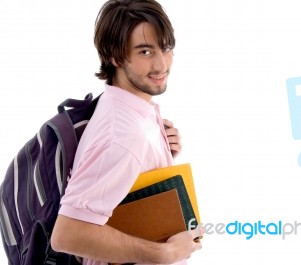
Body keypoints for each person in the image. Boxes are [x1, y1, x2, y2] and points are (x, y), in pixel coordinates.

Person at [50, 0, 203, 264]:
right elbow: (67, 235)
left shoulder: (125, 107)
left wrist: (157, 156)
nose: (161, 65)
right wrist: (163, 254)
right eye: (145, 52)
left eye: (166, 48)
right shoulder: (123, 135)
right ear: (114, 55)